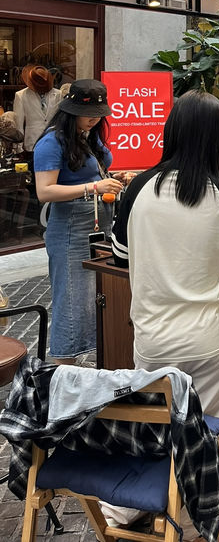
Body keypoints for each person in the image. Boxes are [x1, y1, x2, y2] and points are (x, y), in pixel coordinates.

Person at [111, 91, 219, 424]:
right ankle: (201, 476)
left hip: (154, 337)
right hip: (215, 337)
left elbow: (120, 257)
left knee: (159, 429)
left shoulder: (138, 188)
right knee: (209, 429)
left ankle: (165, 478)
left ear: (171, 130)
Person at [33, 79, 122, 364]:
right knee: (71, 300)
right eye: (89, 112)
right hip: (70, 228)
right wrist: (94, 188)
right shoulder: (51, 141)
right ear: (71, 111)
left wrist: (112, 179)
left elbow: (93, 174)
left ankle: (87, 362)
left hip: (97, 223)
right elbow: (44, 191)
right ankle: (64, 371)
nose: (96, 117)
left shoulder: (89, 135)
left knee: (95, 296)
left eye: (100, 111)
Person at [13, 65, 62, 154]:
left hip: (55, 141)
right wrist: (18, 148)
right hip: (32, 143)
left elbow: (61, 119)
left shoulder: (58, 94)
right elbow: (18, 123)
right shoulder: (21, 96)